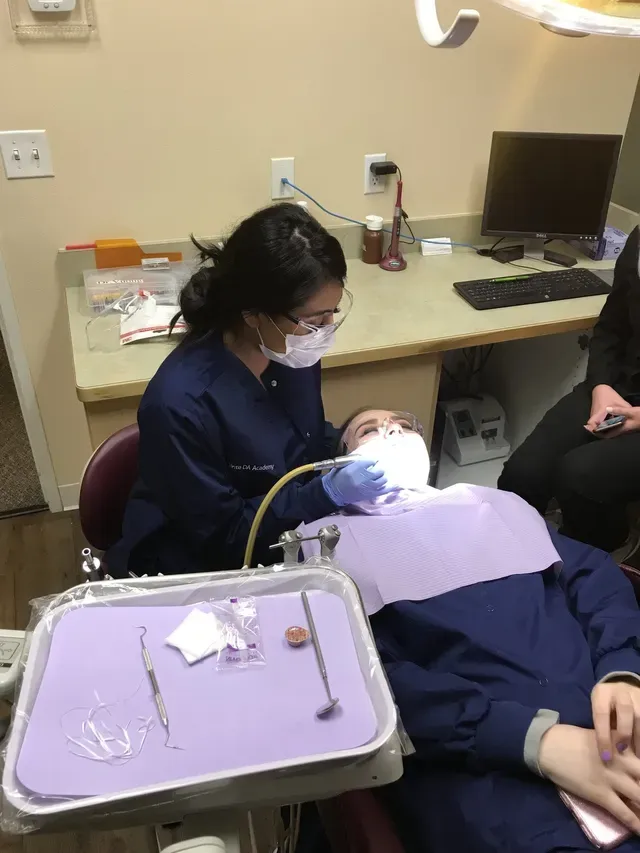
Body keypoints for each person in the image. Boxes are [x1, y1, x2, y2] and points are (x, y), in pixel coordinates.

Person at [296, 408, 640, 853]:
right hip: (484, 762)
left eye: (403, 425)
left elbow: (593, 575)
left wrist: (622, 668)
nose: (392, 433)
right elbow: (360, 677)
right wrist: (535, 740)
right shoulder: (325, 541)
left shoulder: (492, 505)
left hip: (611, 716)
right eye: (370, 430)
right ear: (340, 464)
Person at [106, 204, 393, 577]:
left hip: (286, 536)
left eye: (332, 312)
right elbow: (224, 537)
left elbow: (300, 438)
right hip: (199, 568)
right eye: (313, 319)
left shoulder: (288, 350)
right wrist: (326, 493)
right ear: (252, 313)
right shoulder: (179, 405)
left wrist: (352, 444)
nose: (325, 330)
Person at [498, 226, 640, 556]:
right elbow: (612, 324)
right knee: (523, 475)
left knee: (578, 477)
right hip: (618, 386)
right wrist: (602, 386)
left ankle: (607, 548)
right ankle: (518, 564)